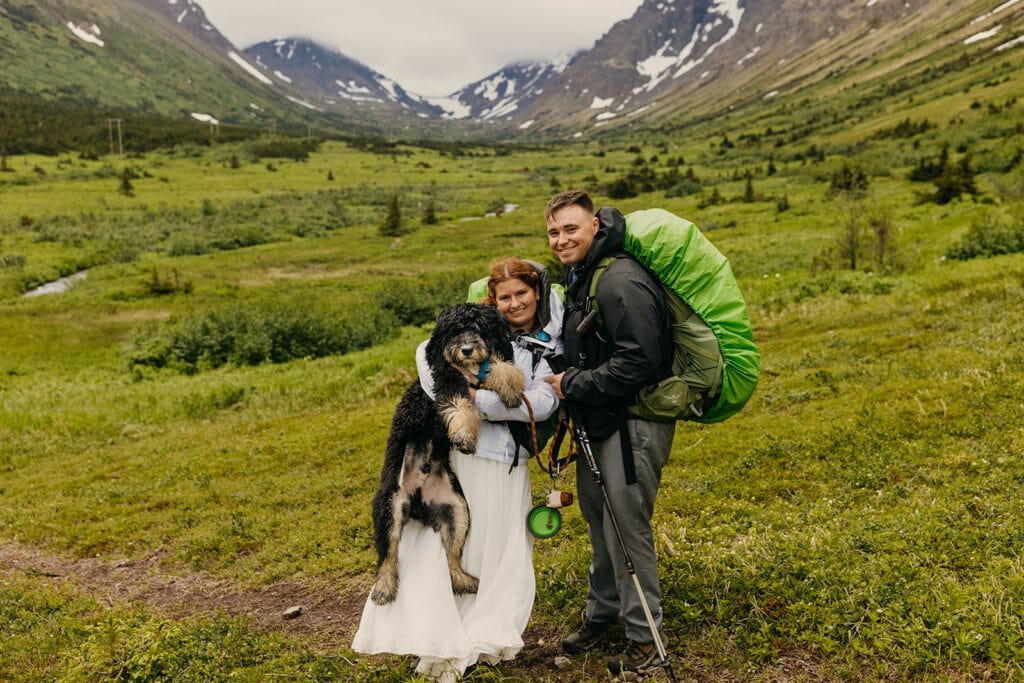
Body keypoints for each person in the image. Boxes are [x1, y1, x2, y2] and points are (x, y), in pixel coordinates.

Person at [352, 258, 559, 682]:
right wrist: (500, 403)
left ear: (537, 293)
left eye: (522, 293)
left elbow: (544, 404)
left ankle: (486, 633)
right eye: (506, 296)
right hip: (465, 461)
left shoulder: (543, 347)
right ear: (492, 300)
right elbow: (434, 382)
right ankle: (442, 637)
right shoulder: (462, 337)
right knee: (457, 544)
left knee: (503, 550)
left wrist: (480, 401)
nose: (515, 302)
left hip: (510, 468)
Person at [542, 189, 676, 677]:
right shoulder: (585, 276)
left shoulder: (619, 280)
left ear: (595, 225)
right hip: (599, 425)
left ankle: (645, 639)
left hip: (631, 427)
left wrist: (572, 383)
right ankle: (602, 613)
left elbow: (640, 361)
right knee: (601, 525)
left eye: (570, 228)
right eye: (554, 232)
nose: (561, 239)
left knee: (626, 530)